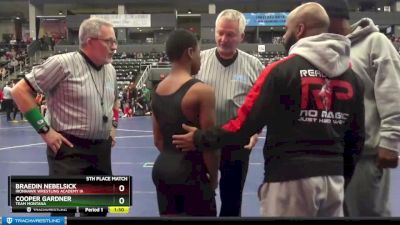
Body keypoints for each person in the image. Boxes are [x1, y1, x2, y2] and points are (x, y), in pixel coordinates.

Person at [173, 2, 365, 217]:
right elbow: (357, 138)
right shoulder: (352, 78)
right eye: (221, 33)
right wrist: (340, 175)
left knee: (230, 201)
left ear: (299, 30)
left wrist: (200, 138)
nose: (284, 35)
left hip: (288, 177)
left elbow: (244, 125)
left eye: (286, 29)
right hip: (333, 179)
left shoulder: (281, 71)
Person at [10, 17, 119, 216]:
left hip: (101, 153)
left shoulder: (110, 69)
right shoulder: (62, 63)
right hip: (69, 151)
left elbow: (114, 101)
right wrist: (45, 131)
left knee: (97, 212)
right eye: (109, 41)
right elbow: (19, 91)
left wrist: (113, 127)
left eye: (115, 41)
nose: (115, 46)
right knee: (64, 214)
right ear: (90, 41)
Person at [317, 0, 400, 217]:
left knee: (367, 213)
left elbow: (393, 94)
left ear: (330, 19)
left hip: (365, 157)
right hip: (329, 156)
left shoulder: (375, 42)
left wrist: (391, 142)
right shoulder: (325, 48)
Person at [196, 9, 264, 217]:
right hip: (204, 140)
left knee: (232, 199)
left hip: (237, 142)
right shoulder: (198, 61)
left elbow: (262, 107)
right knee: (201, 196)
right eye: (220, 33)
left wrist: (255, 132)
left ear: (242, 37)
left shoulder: (255, 66)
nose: (223, 39)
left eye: (231, 34)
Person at [151, 29, 219, 216]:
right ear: (190, 52)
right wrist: (213, 177)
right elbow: (209, 143)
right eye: (198, 52)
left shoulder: (157, 89)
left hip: (163, 169)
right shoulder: (202, 91)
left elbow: (158, 140)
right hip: (191, 174)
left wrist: (172, 159)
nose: (200, 58)